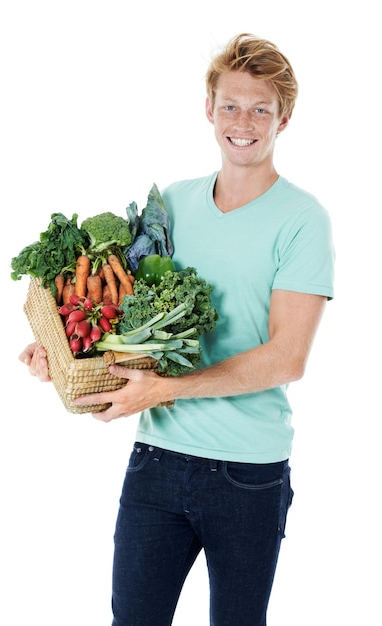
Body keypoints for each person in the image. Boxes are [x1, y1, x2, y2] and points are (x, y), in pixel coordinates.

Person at [20, 33, 334, 626]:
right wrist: (63, 353)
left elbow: (288, 356)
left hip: (248, 473)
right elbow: (123, 318)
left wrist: (163, 390)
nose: (243, 122)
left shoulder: (302, 220)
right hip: (156, 462)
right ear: (209, 110)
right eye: (230, 106)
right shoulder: (172, 205)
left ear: (283, 119)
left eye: (260, 109)